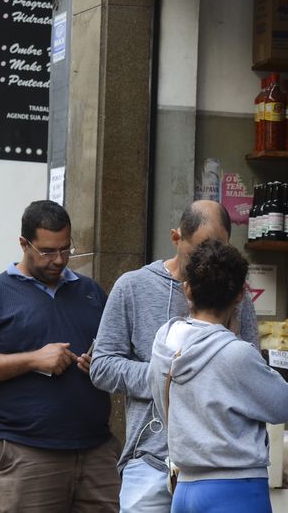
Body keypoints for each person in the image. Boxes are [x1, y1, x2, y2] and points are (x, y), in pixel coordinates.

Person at [90, 200, 260, 513]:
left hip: (218, 467)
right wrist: (166, 377)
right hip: (151, 461)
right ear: (176, 237)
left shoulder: (236, 292)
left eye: (219, 250)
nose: (209, 261)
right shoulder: (133, 286)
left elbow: (252, 365)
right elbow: (101, 366)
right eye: (200, 250)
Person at [0, 200, 118, 512]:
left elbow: (117, 351)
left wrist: (100, 363)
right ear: (23, 243)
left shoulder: (91, 292)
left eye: (65, 249)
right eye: (47, 251)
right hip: (26, 452)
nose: (58, 260)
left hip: (96, 449)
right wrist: (33, 359)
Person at [148, 239, 288, 513]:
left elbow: (160, 398)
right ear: (240, 294)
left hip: (184, 486)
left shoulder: (164, 341)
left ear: (187, 289)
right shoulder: (236, 353)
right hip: (236, 487)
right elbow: (285, 404)